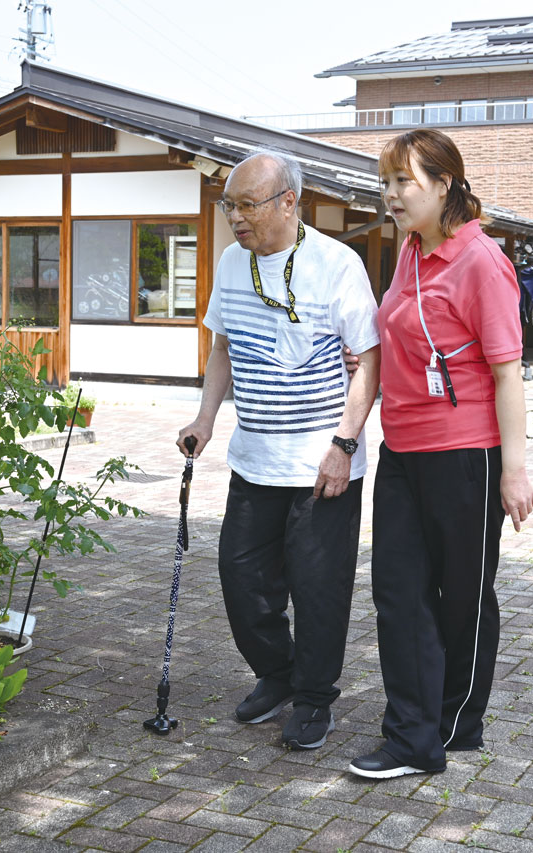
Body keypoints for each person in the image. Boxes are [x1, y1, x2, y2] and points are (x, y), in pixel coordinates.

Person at [347, 129, 533, 779]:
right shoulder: (408, 251)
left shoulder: (481, 261)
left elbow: (507, 372)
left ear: (445, 184)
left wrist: (513, 469)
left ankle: (458, 722)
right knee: (399, 594)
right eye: (387, 182)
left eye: (405, 181)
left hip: (466, 454)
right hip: (402, 452)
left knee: (462, 598)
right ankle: (412, 738)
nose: (391, 194)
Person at [177, 149, 380, 750]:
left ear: (288, 202)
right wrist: (206, 417)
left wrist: (344, 444)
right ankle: (278, 673)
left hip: (323, 462)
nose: (235, 217)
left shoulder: (336, 264)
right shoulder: (232, 263)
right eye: (229, 205)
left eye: (246, 204)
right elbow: (222, 347)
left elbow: (368, 360)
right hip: (254, 457)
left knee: (320, 587)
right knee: (241, 575)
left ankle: (315, 699)